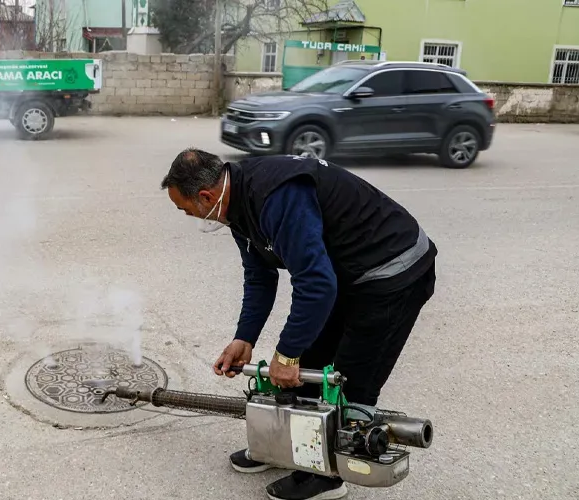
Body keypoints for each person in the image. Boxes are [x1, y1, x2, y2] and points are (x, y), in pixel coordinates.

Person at [160, 149, 437, 500]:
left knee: (352, 379)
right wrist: (245, 337)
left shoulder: (277, 196)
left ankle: (325, 478)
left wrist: (286, 354)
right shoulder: (236, 201)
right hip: (346, 272)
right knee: (308, 359)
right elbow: (259, 275)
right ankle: (283, 448)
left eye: (187, 210)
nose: (190, 216)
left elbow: (317, 285)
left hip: (393, 270)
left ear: (206, 197)